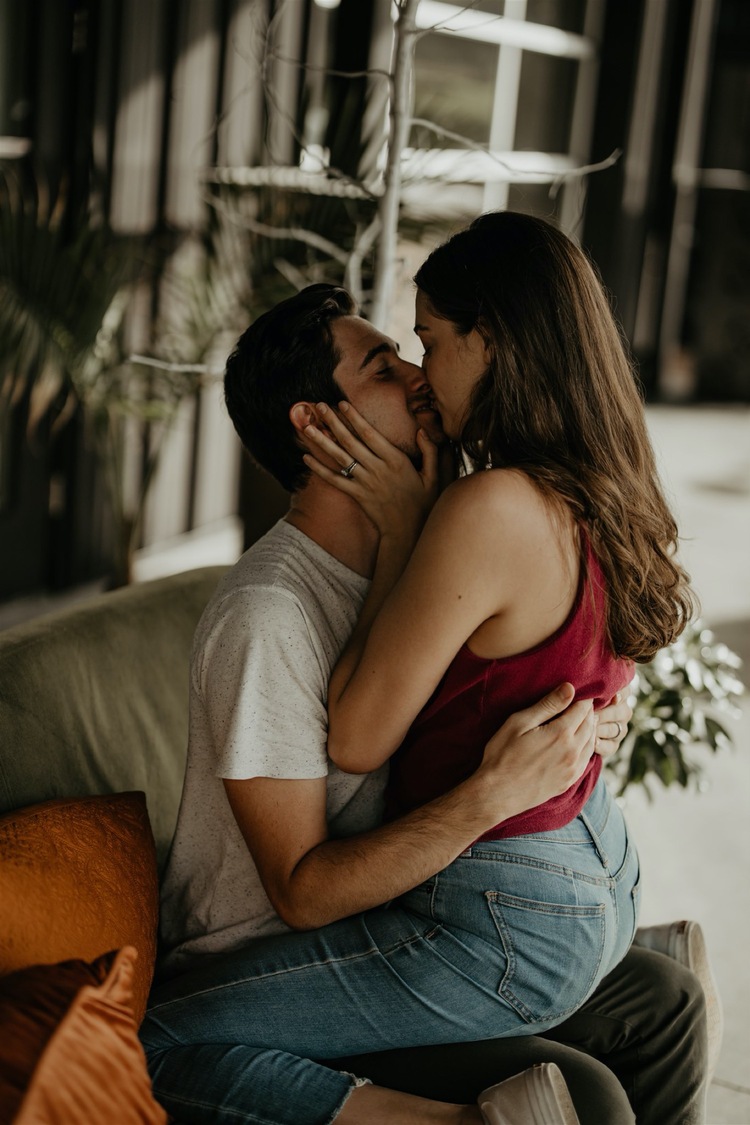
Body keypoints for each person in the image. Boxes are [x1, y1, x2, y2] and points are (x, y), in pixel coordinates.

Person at [140, 277, 711, 1125]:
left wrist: (583, 717)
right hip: (276, 951)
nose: (415, 374)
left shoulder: (430, 548)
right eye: (381, 366)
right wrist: (490, 799)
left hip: (413, 911)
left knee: (669, 1004)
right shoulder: (269, 616)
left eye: (412, 351)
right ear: (317, 423)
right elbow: (299, 892)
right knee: (146, 1046)